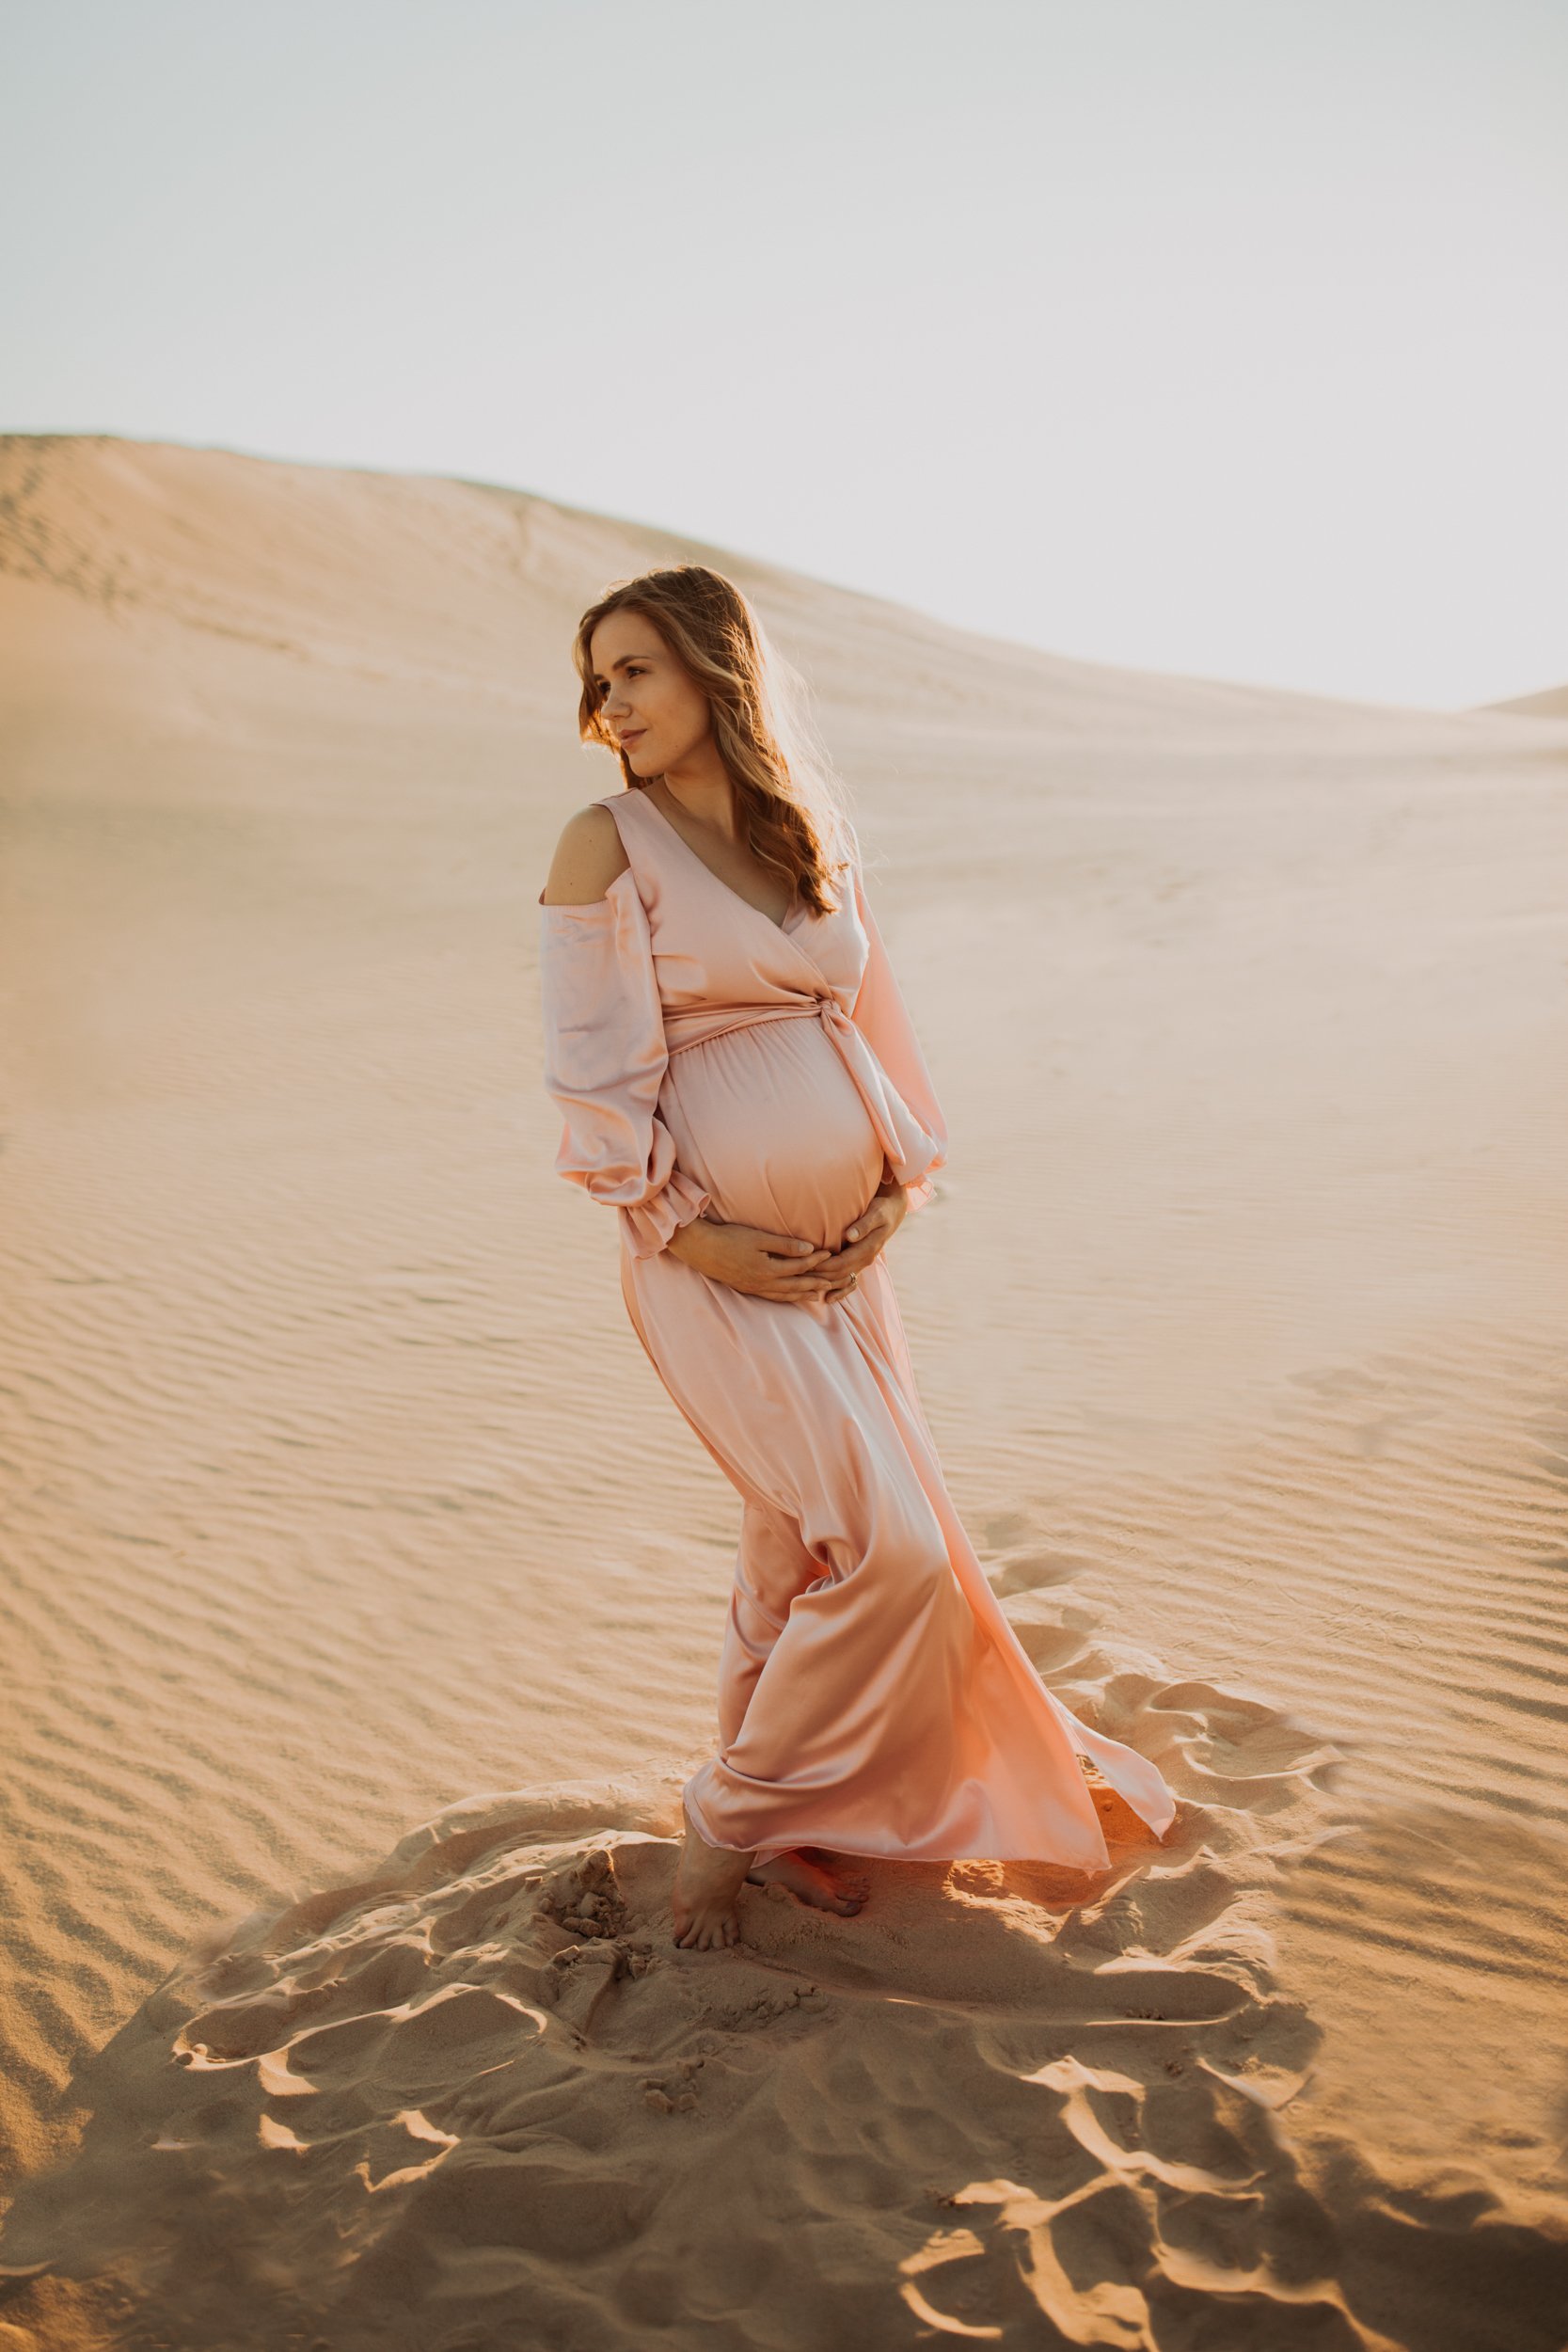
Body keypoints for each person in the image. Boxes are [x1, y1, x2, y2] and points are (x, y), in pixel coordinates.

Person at [538, 564, 1177, 1952]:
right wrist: (698, 1236)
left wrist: (898, 1189)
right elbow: (594, 1088)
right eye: (599, 678)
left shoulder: (810, 834)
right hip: (707, 1264)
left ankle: (807, 1824)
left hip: (845, 1259)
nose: (609, 703)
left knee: (798, 1549)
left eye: (634, 669)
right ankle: (733, 1819)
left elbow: (878, 1033)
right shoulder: (605, 844)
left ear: (715, 668)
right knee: (892, 1560)